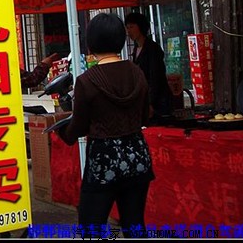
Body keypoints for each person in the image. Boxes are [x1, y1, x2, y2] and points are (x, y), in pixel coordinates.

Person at [56, 13, 154, 238]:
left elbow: (78, 127)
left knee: (91, 225)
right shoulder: (137, 73)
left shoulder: (87, 80)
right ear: (120, 39)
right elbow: (145, 117)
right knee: (134, 224)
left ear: (91, 43)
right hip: (136, 157)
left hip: (103, 160)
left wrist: (62, 131)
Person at [124, 12, 173, 120]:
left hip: (159, 101)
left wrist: (150, 102)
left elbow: (155, 78)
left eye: (132, 27)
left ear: (140, 27)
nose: (129, 31)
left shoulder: (152, 49)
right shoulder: (136, 48)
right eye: (127, 28)